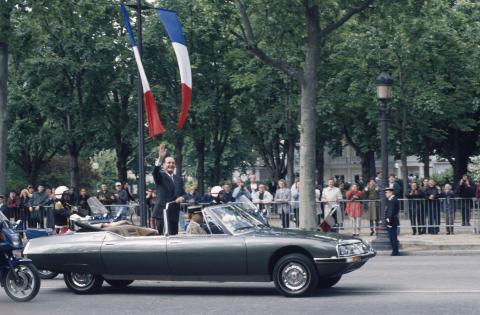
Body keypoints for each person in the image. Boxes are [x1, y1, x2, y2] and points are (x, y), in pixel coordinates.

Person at [152, 143, 186, 235]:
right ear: (163, 165)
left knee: (173, 239)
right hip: (162, 213)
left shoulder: (178, 179)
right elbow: (155, 172)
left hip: (174, 213)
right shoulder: (160, 176)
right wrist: (160, 158)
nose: (171, 165)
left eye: (173, 163)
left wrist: (182, 198)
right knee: (162, 239)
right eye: (168, 163)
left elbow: (184, 193)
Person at [384, 187, 400, 256]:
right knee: (393, 237)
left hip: (392, 221)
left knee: (393, 237)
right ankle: (395, 251)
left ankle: (395, 252)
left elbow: (391, 212)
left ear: (390, 193)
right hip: (393, 221)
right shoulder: (393, 199)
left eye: (386, 192)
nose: (386, 194)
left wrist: (389, 221)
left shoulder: (392, 200)